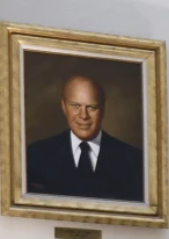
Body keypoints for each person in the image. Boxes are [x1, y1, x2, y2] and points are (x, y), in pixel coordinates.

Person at [26, 74, 145, 202]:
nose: (83, 115)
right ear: (64, 107)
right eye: (75, 106)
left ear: (103, 110)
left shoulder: (134, 160)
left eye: (91, 107)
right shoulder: (35, 155)